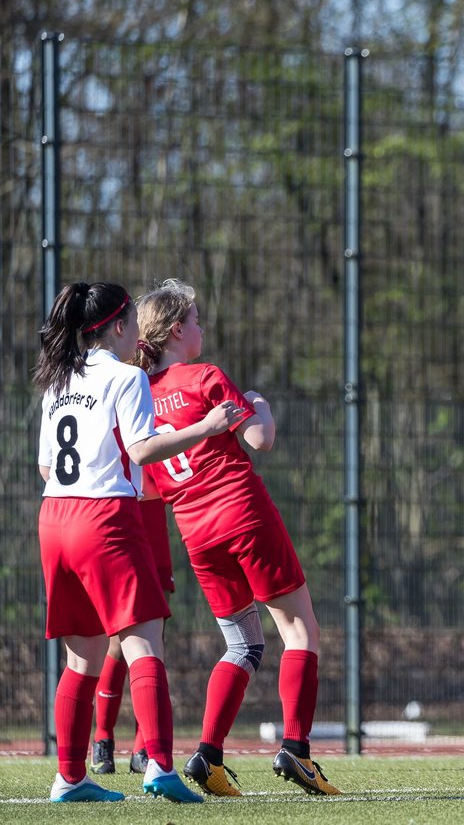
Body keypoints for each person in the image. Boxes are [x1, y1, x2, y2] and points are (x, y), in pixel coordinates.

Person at [128, 278, 340, 797]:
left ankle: (208, 754)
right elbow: (259, 439)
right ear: (177, 331)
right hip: (243, 513)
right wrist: (259, 404)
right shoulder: (204, 375)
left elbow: (151, 490)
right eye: (196, 321)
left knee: (241, 643)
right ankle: (297, 749)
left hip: (196, 534)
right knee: (300, 631)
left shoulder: (137, 398)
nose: (202, 328)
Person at [34, 281, 241, 804]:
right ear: (121, 326)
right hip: (105, 517)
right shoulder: (126, 378)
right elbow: (145, 449)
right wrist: (208, 426)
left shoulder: (58, 379)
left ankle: (70, 778)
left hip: (55, 516)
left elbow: (44, 464)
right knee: (144, 643)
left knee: (80, 659)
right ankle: (161, 770)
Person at [90, 498, 173, 776]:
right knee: (117, 639)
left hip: (152, 513)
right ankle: (103, 738)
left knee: (153, 635)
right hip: (119, 509)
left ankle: (144, 748)